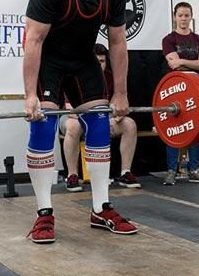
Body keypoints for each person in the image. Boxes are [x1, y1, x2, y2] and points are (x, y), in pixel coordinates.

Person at [23, 0, 137, 244]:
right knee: (43, 124)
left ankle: (101, 208)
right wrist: (31, 95)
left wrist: (121, 93)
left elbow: (117, 41)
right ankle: (44, 214)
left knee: (100, 122)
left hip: (84, 59)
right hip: (49, 60)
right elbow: (34, 39)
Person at [60, 43, 141, 192]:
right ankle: (72, 176)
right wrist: (100, 119)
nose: (99, 65)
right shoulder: (73, 76)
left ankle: (125, 172)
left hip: (102, 117)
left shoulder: (112, 78)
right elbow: (71, 110)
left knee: (129, 124)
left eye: (102, 62)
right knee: (74, 126)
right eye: (96, 61)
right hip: (73, 118)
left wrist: (117, 115)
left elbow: (117, 105)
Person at [160, 2, 199, 186]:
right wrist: (192, 62)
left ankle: (195, 170)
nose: (183, 19)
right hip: (175, 89)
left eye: (186, 15)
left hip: (197, 89)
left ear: (191, 17)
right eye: (180, 15)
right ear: (175, 17)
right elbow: (173, 64)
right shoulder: (168, 39)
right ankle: (171, 171)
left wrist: (182, 60)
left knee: (197, 128)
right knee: (173, 128)